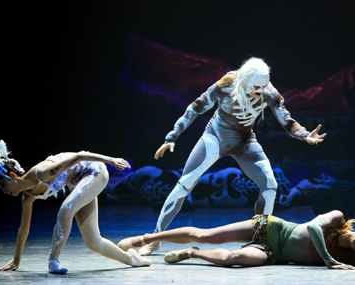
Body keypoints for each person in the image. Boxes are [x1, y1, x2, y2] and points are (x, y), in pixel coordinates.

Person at [126, 57, 327, 256]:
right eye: (256, 87)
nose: (260, 91)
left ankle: (259, 239)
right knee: (184, 185)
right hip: (215, 137)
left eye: (263, 87)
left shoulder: (269, 92)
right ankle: (155, 239)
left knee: (271, 186)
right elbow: (195, 107)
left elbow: (287, 121)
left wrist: (304, 135)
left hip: (245, 141)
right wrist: (172, 136)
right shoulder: (226, 84)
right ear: (245, 80)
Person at [0, 140, 151, 274]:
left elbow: (79, 156)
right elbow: (24, 229)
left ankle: (53, 260)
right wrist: (16, 260)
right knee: (93, 242)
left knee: (66, 209)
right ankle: (132, 259)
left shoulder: (43, 172)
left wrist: (111, 160)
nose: (4, 190)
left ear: (12, 176)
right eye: (0, 188)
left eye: (3, 184)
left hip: (94, 172)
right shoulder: (27, 197)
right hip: (78, 182)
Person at [117, 210, 355, 269]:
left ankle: (193, 253)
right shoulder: (337, 219)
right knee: (207, 235)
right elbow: (314, 228)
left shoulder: (351, 258)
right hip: (271, 228)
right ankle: (145, 238)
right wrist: (328, 260)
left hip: (274, 253)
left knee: (235, 259)